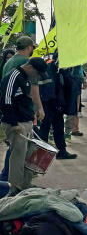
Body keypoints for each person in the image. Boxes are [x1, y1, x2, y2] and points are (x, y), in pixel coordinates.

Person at [0, 57, 49, 195]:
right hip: (16, 122)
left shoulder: (26, 77)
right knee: (18, 155)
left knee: (31, 154)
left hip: (26, 120)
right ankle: (15, 188)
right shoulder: (13, 76)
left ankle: (26, 184)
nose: (38, 76)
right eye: (38, 73)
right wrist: (14, 123)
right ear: (31, 67)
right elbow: (5, 100)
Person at [37, 53, 76, 160]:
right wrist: (54, 102)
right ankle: (40, 154)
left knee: (59, 128)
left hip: (58, 104)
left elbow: (68, 86)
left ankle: (61, 151)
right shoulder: (50, 68)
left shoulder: (64, 69)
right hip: (49, 103)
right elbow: (49, 87)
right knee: (45, 129)